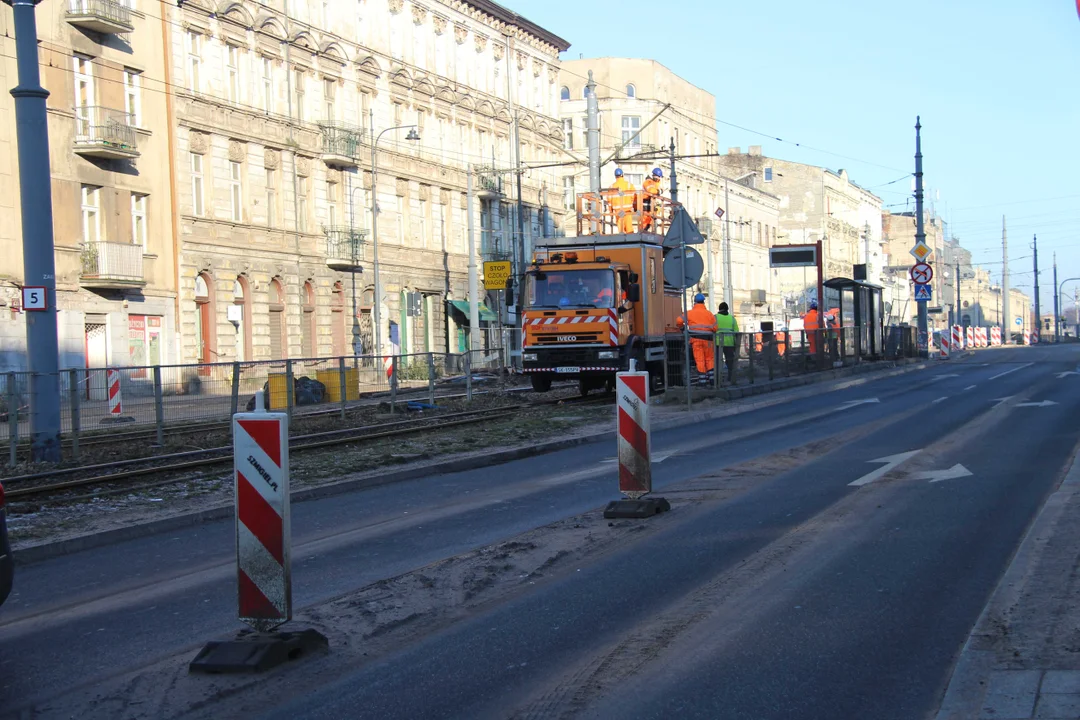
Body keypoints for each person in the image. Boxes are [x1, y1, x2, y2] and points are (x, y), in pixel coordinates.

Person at [676, 292, 717, 380]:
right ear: (703, 302)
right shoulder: (709, 314)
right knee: (709, 359)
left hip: (696, 339)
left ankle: (702, 380)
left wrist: (683, 328)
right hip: (708, 340)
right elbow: (715, 328)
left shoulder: (690, 313)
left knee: (700, 359)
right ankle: (712, 379)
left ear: (694, 302)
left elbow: (678, 320)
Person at [715, 302, 740, 383]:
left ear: (719, 309)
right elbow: (736, 331)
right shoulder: (732, 318)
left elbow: (711, 328)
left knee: (717, 361)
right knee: (730, 361)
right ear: (727, 309)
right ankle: (731, 378)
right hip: (730, 343)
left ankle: (718, 379)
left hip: (717, 342)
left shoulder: (715, 317)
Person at [610, 168, 636, 233]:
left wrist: (611, 212)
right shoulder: (629, 185)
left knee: (621, 231)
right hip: (627, 211)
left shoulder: (611, 187)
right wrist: (635, 208)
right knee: (629, 230)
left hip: (617, 212)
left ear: (615, 176)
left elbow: (609, 201)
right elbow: (634, 197)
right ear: (622, 175)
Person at [640, 168, 662, 232]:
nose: (659, 178)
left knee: (649, 222)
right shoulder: (648, 182)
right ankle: (643, 232)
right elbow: (651, 191)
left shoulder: (655, 183)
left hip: (651, 205)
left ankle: (645, 231)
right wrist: (659, 191)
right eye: (658, 177)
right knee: (645, 222)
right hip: (645, 205)